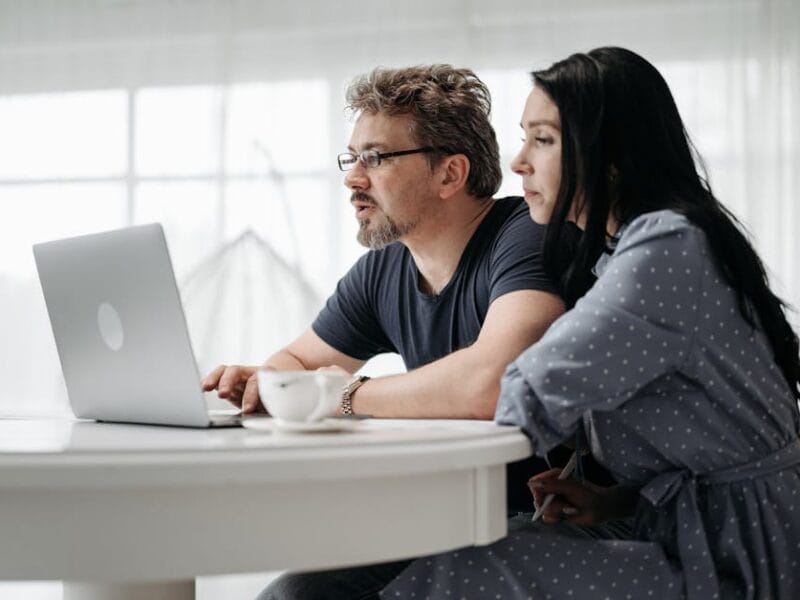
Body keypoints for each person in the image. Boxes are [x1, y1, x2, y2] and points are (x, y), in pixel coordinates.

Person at [382, 47, 800, 600]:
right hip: (701, 530)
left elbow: (521, 389)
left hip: (744, 557)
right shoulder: (637, 247)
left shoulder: (667, 247)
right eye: (524, 136)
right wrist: (613, 500)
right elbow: (715, 444)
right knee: (485, 552)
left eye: (544, 139)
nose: (518, 162)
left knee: (461, 568)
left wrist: (350, 398)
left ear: (609, 157)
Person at [203, 65, 574, 600]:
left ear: (450, 174)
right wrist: (269, 382)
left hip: (555, 516)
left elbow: (492, 383)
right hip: (452, 518)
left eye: (375, 159)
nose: (354, 178)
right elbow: (297, 362)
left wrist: (345, 396)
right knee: (295, 594)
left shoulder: (526, 237)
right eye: (351, 158)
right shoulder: (385, 269)